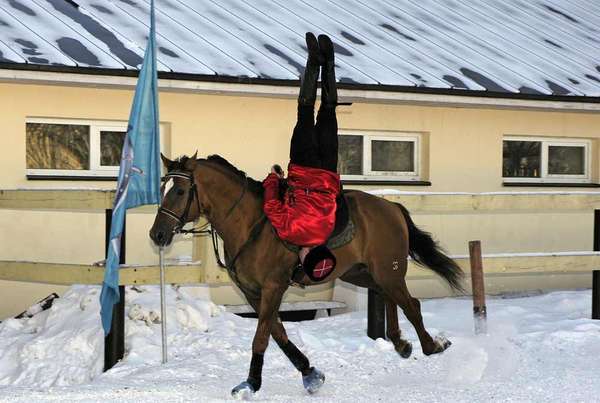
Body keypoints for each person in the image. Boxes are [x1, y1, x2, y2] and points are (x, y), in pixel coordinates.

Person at [263, 32, 341, 281]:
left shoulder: (328, 230)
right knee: (305, 110)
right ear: (305, 257)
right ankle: (313, 61)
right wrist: (273, 178)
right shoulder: (291, 234)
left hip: (329, 169)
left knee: (328, 111)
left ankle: (328, 64)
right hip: (304, 167)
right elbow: (271, 206)